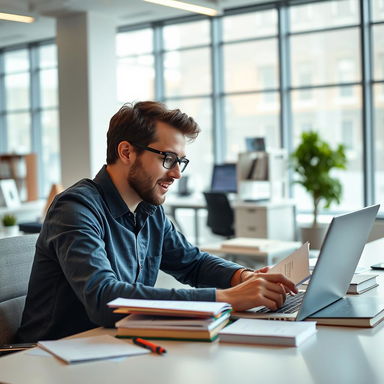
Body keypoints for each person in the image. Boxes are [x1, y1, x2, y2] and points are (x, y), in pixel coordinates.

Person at [17, 101, 297, 342]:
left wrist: (245, 277)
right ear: (126, 152)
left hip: (114, 347)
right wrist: (227, 298)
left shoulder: (149, 210)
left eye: (181, 162)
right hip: (50, 359)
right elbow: (105, 298)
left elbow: (193, 263)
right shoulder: (76, 208)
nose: (176, 174)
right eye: (168, 159)